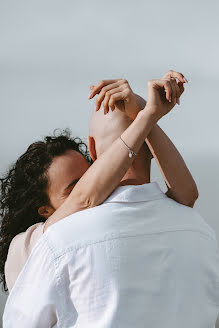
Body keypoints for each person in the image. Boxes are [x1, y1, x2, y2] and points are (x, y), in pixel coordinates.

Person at [3, 71, 219, 327]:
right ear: (45, 210)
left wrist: (147, 114)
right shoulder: (32, 245)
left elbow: (187, 193)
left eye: (94, 173)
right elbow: (84, 199)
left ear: (93, 151)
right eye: (77, 185)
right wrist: (146, 115)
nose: (99, 184)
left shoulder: (65, 241)